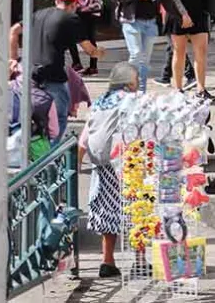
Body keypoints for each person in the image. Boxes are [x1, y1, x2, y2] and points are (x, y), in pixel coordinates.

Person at [9, 0, 102, 139]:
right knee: (59, 118)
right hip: (54, 75)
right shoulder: (70, 18)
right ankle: (50, 156)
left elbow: (13, 31)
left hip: (30, 73)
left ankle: (35, 151)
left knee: (30, 115)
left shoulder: (37, 14)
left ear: (57, 1)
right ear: (74, 5)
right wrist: (99, 53)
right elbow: (89, 50)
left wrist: (13, 59)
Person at [79, 62, 139, 278]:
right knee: (137, 208)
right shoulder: (130, 100)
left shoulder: (101, 102)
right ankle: (140, 261)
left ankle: (108, 261)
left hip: (101, 163)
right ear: (130, 82)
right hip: (124, 163)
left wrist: (77, 165)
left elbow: (85, 137)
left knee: (107, 210)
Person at [162, 0, 214, 102]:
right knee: (180, 51)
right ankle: (178, 89)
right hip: (179, 12)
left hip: (198, 11)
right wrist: (183, 14)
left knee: (202, 51)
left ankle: (201, 88)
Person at [110, 0, 166, 92]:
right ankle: (133, 91)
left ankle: (135, 91)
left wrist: (180, 16)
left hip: (151, 21)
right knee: (136, 56)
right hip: (131, 20)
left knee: (145, 61)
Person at [67, 0, 103, 76]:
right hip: (94, 10)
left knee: (70, 36)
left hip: (81, 11)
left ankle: (77, 63)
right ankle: (93, 66)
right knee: (91, 37)